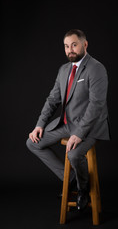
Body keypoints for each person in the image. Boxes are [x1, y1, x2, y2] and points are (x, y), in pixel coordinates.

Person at [26, 29, 110, 211]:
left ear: (84, 44)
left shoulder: (96, 68)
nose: (70, 50)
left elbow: (96, 105)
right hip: (66, 124)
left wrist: (79, 134)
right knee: (32, 143)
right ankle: (71, 179)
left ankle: (82, 189)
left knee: (72, 154)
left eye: (74, 45)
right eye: (66, 46)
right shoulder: (64, 70)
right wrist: (39, 124)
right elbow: (52, 99)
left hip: (89, 126)